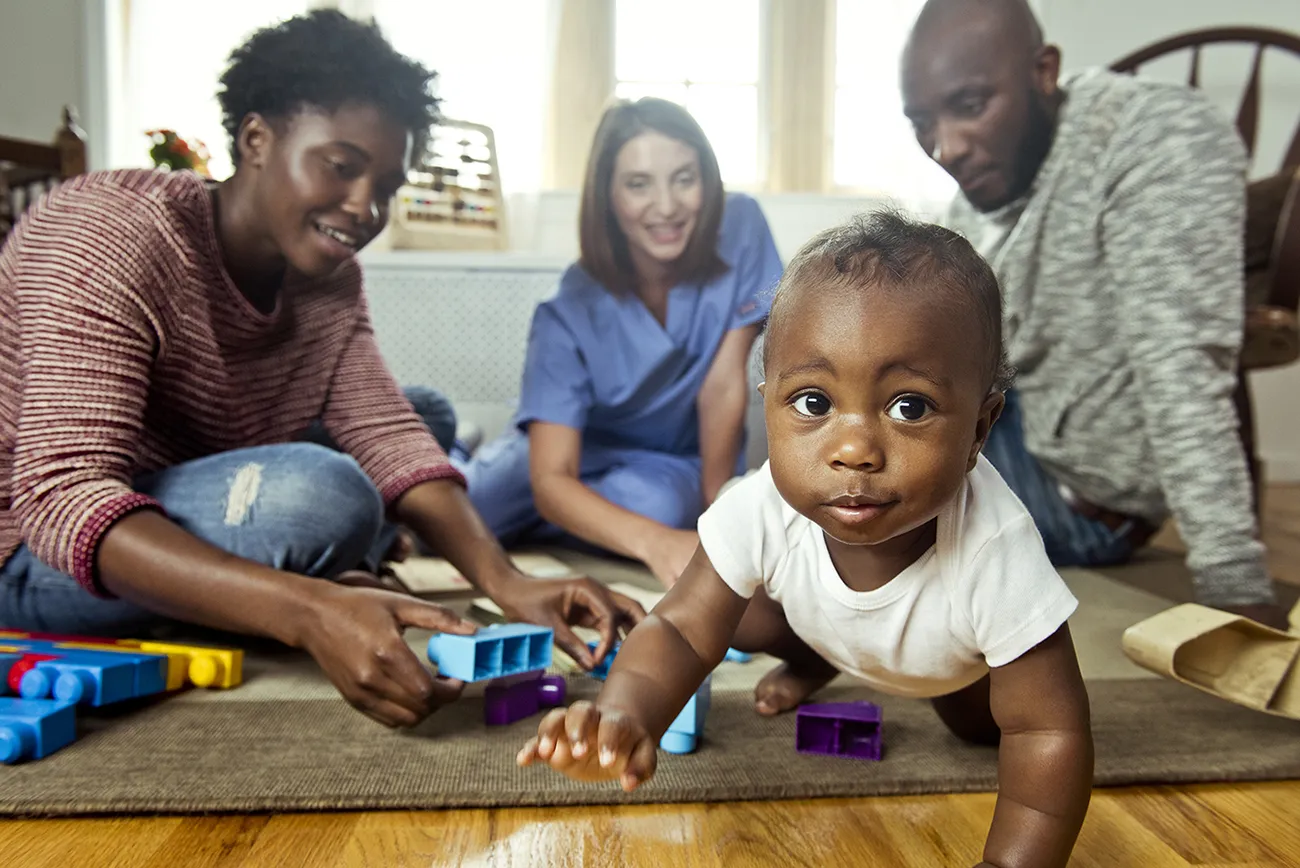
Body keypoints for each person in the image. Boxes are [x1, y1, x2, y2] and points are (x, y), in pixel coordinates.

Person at [0, 10, 643, 728]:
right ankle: (321, 571)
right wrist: (308, 614)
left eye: (387, 184)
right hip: (31, 546)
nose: (366, 206)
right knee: (326, 494)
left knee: (423, 414)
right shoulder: (110, 233)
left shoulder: (326, 278)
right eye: (340, 166)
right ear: (255, 140)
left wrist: (507, 580)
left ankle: (319, 562)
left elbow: (388, 430)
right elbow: (62, 496)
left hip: (205, 477)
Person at [518, 212, 1094, 868]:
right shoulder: (762, 504)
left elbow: (1050, 731)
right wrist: (625, 714)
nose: (852, 448)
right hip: (815, 622)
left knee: (983, 730)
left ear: (980, 430)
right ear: (769, 404)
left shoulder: (996, 547)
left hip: (953, 663)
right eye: (814, 404)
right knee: (718, 613)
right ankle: (817, 659)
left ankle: (875, 673)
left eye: (909, 407)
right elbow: (677, 631)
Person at [899, 0, 1286, 628]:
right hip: (1010, 420)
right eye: (922, 122)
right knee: (806, 365)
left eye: (970, 106)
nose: (946, 147)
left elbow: (1178, 359)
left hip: (1075, 494)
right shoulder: (988, 182)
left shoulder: (1155, 135)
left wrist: (1231, 577)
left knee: (849, 513)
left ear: (1044, 71)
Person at [460, 98, 784, 589]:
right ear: (607, 196)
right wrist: (655, 543)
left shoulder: (740, 225)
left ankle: (579, 521)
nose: (667, 206)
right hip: (561, 450)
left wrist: (721, 526)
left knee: (671, 508)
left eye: (684, 178)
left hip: (665, 464)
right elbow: (550, 478)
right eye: (638, 184)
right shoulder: (566, 309)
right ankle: (455, 447)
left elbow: (720, 386)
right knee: (459, 515)